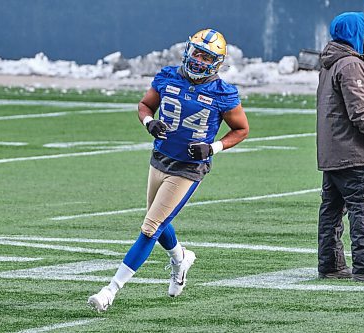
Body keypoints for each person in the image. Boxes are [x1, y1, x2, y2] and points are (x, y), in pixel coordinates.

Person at [88, 28, 249, 312]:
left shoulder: (223, 92)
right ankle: (180, 259)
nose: (198, 60)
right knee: (157, 221)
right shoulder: (168, 76)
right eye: (196, 52)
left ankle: (110, 290)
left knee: (150, 227)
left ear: (217, 62)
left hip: (189, 167)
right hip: (160, 158)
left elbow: (241, 129)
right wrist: (149, 122)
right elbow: (145, 105)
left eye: (206, 56)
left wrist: (213, 148)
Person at [317, 12, 364, 282]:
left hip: (333, 150)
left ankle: (330, 264)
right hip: (351, 152)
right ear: (355, 33)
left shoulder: (330, 63)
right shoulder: (351, 65)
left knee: (331, 210)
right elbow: (361, 114)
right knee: (362, 205)